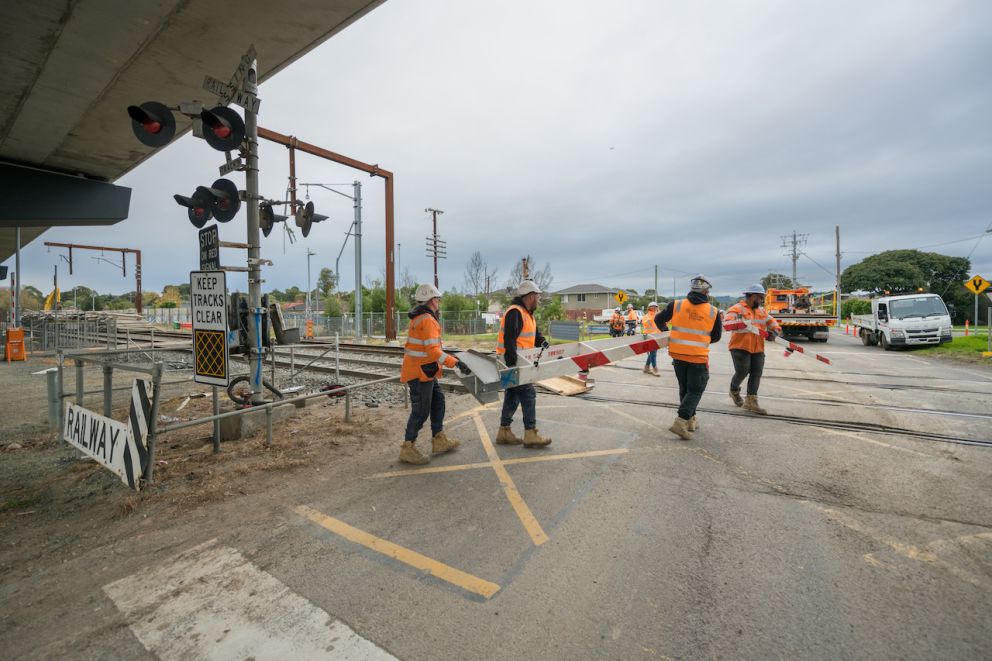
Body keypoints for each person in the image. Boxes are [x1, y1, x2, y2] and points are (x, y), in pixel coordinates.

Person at [399, 283, 473, 465]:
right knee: (421, 411)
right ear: (432, 300)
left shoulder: (421, 318)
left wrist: (451, 357)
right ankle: (407, 447)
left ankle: (438, 439)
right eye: (438, 299)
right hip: (419, 373)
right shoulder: (427, 320)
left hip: (425, 371)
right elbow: (432, 350)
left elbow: (430, 348)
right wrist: (455, 363)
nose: (439, 302)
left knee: (438, 401)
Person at [654, 274, 722, 440]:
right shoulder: (713, 312)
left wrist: (667, 332)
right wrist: (700, 340)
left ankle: (691, 420)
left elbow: (658, 319)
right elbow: (716, 337)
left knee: (685, 388)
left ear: (691, 289)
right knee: (696, 390)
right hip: (698, 358)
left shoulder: (676, 305)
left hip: (678, 355)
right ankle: (681, 421)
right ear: (707, 292)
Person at [495, 280, 552, 448]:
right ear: (530, 296)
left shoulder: (527, 313)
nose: (539, 299)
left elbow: (534, 336)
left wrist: (543, 342)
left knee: (512, 396)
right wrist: (512, 364)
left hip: (519, 362)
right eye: (538, 296)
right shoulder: (515, 312)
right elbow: (509, 339)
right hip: (514, 362)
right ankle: (530, 433)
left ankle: (504, 431)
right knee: (528, 394)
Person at [724, 283, 781, 415]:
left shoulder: (761, 311)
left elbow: (773, 323)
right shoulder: (737, 309)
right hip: (740, 346)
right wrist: (739, 323)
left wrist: (775, 332)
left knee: (756, 372)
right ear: (753, 296)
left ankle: (751, 401)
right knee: (743, 371)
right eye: (760, 298)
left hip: (758, 348)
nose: (761, 301)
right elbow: (728, 322)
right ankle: (734, 390)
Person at [642, 301, 661, 376]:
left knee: (652, 353)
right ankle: (655, 369)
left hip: (657, 337)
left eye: (656, 306)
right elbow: (647, 323)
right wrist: (656, 315)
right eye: (652, 306)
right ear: (649, 308)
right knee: (653, 353)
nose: (654, 307)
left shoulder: (658, 315)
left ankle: (646, 367)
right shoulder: (646, 316)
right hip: (649, 337)